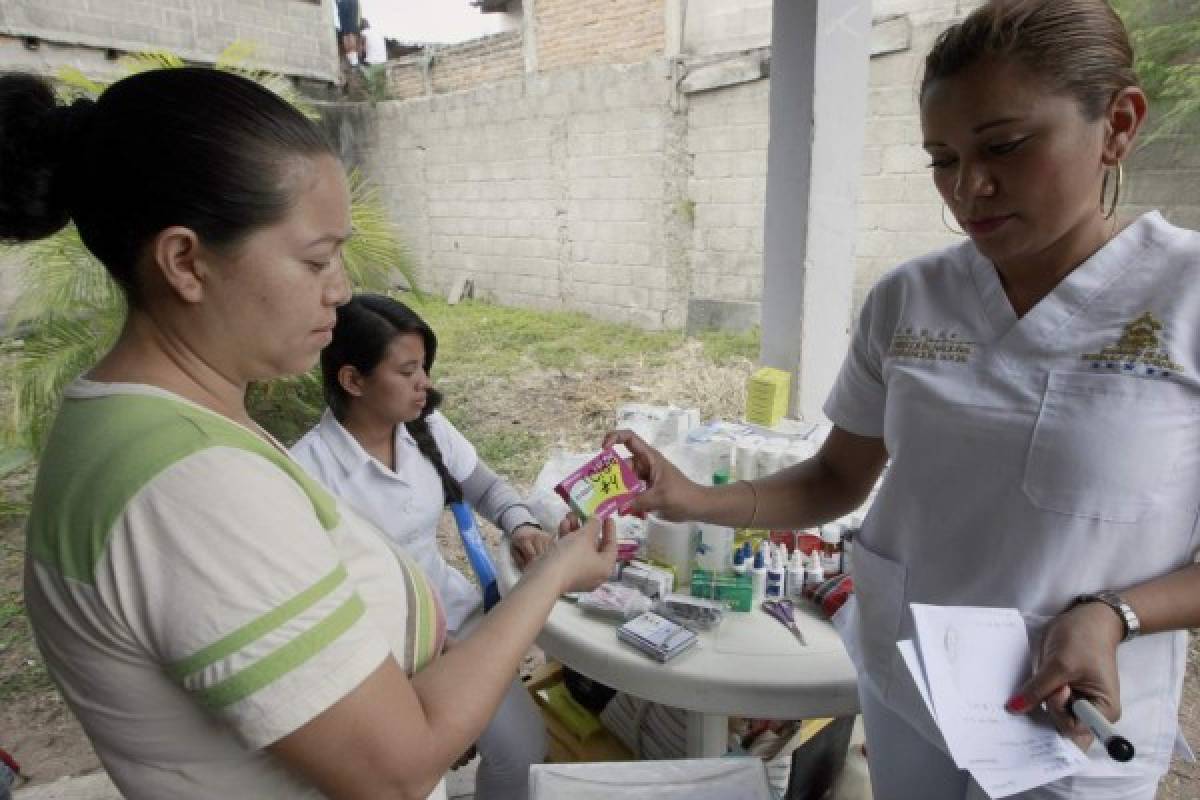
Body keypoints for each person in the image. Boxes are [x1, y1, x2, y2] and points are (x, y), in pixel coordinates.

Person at [605, 2, 1200, 798]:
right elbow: (832, 480)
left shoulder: (1186, 296)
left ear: (1118, 124)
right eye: (941, 159)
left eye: (1005, 147)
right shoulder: (912, 298)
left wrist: (1112, 614)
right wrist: (692, 499)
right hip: (912, 684)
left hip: (1074, 725)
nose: (969, 189)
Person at [8, 67, 616, 800]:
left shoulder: (162, 424)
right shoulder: (191, 488)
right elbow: (398, 766)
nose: (339, 288)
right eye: (316, 259)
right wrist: (552, 575)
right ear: (185, 262)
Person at [291, 293, 561, 800]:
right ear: (353, 380)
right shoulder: (310, 473)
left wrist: (519, 523)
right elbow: (327, 607)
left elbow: (485, 486)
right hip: (383, 655)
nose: (426, 384)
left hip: (454, 618)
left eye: (425, 368)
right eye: (408, 371)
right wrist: (431, 657)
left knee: (522, 751)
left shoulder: (424, 429)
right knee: (419, 780)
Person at [336, 0, 362, 67]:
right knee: (350, 32)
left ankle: (352, 57)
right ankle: (353, 58)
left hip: (341, 3)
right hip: (349, 3)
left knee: (346, 32)